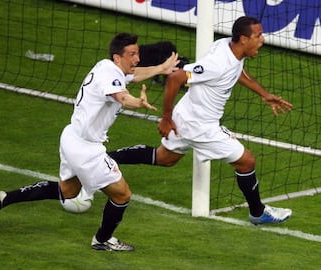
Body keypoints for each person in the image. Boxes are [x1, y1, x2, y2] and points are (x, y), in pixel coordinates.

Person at [0, 32, 180, 252]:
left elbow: (134, 75)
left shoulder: (107, 67)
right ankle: (103, 240)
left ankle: (4, 198)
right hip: (87, 148)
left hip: (71, 137)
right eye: (132, 54)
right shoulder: (110, 77)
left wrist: (161, 68)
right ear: (117, 57)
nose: (137, 59)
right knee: (122, 195)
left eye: (138, 53)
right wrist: (138, 102)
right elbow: (121, 97)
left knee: (68, 191)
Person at [107, 16, 293, 225]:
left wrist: (263, 93)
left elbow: (237, 71)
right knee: (246, 160)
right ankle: (258, 212)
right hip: (200, 126)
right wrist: (165, 118)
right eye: (258, 35)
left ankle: (106, 159)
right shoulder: (217, 64)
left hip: (186, 115)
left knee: (165, 158)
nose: (262, 39)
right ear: (243, 39)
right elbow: (175, 78)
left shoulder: (226, 46)